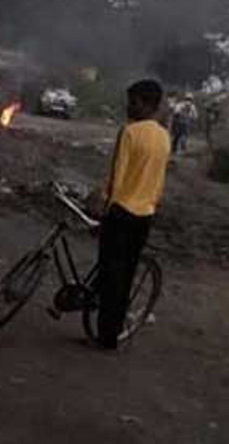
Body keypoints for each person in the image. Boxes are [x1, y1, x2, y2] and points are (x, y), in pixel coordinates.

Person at [86, 79, 171, 351]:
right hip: (145, 215)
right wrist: (153, 204)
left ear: (148, 105)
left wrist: (103, 210)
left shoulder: (130, 132)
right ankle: (110, 327)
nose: (129, 106)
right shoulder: (164, 137)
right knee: (126, 272)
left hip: (121, 211)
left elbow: (118, 177)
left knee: (112, 275)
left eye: (134, 101)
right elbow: (159, 180)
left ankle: (106, 336)